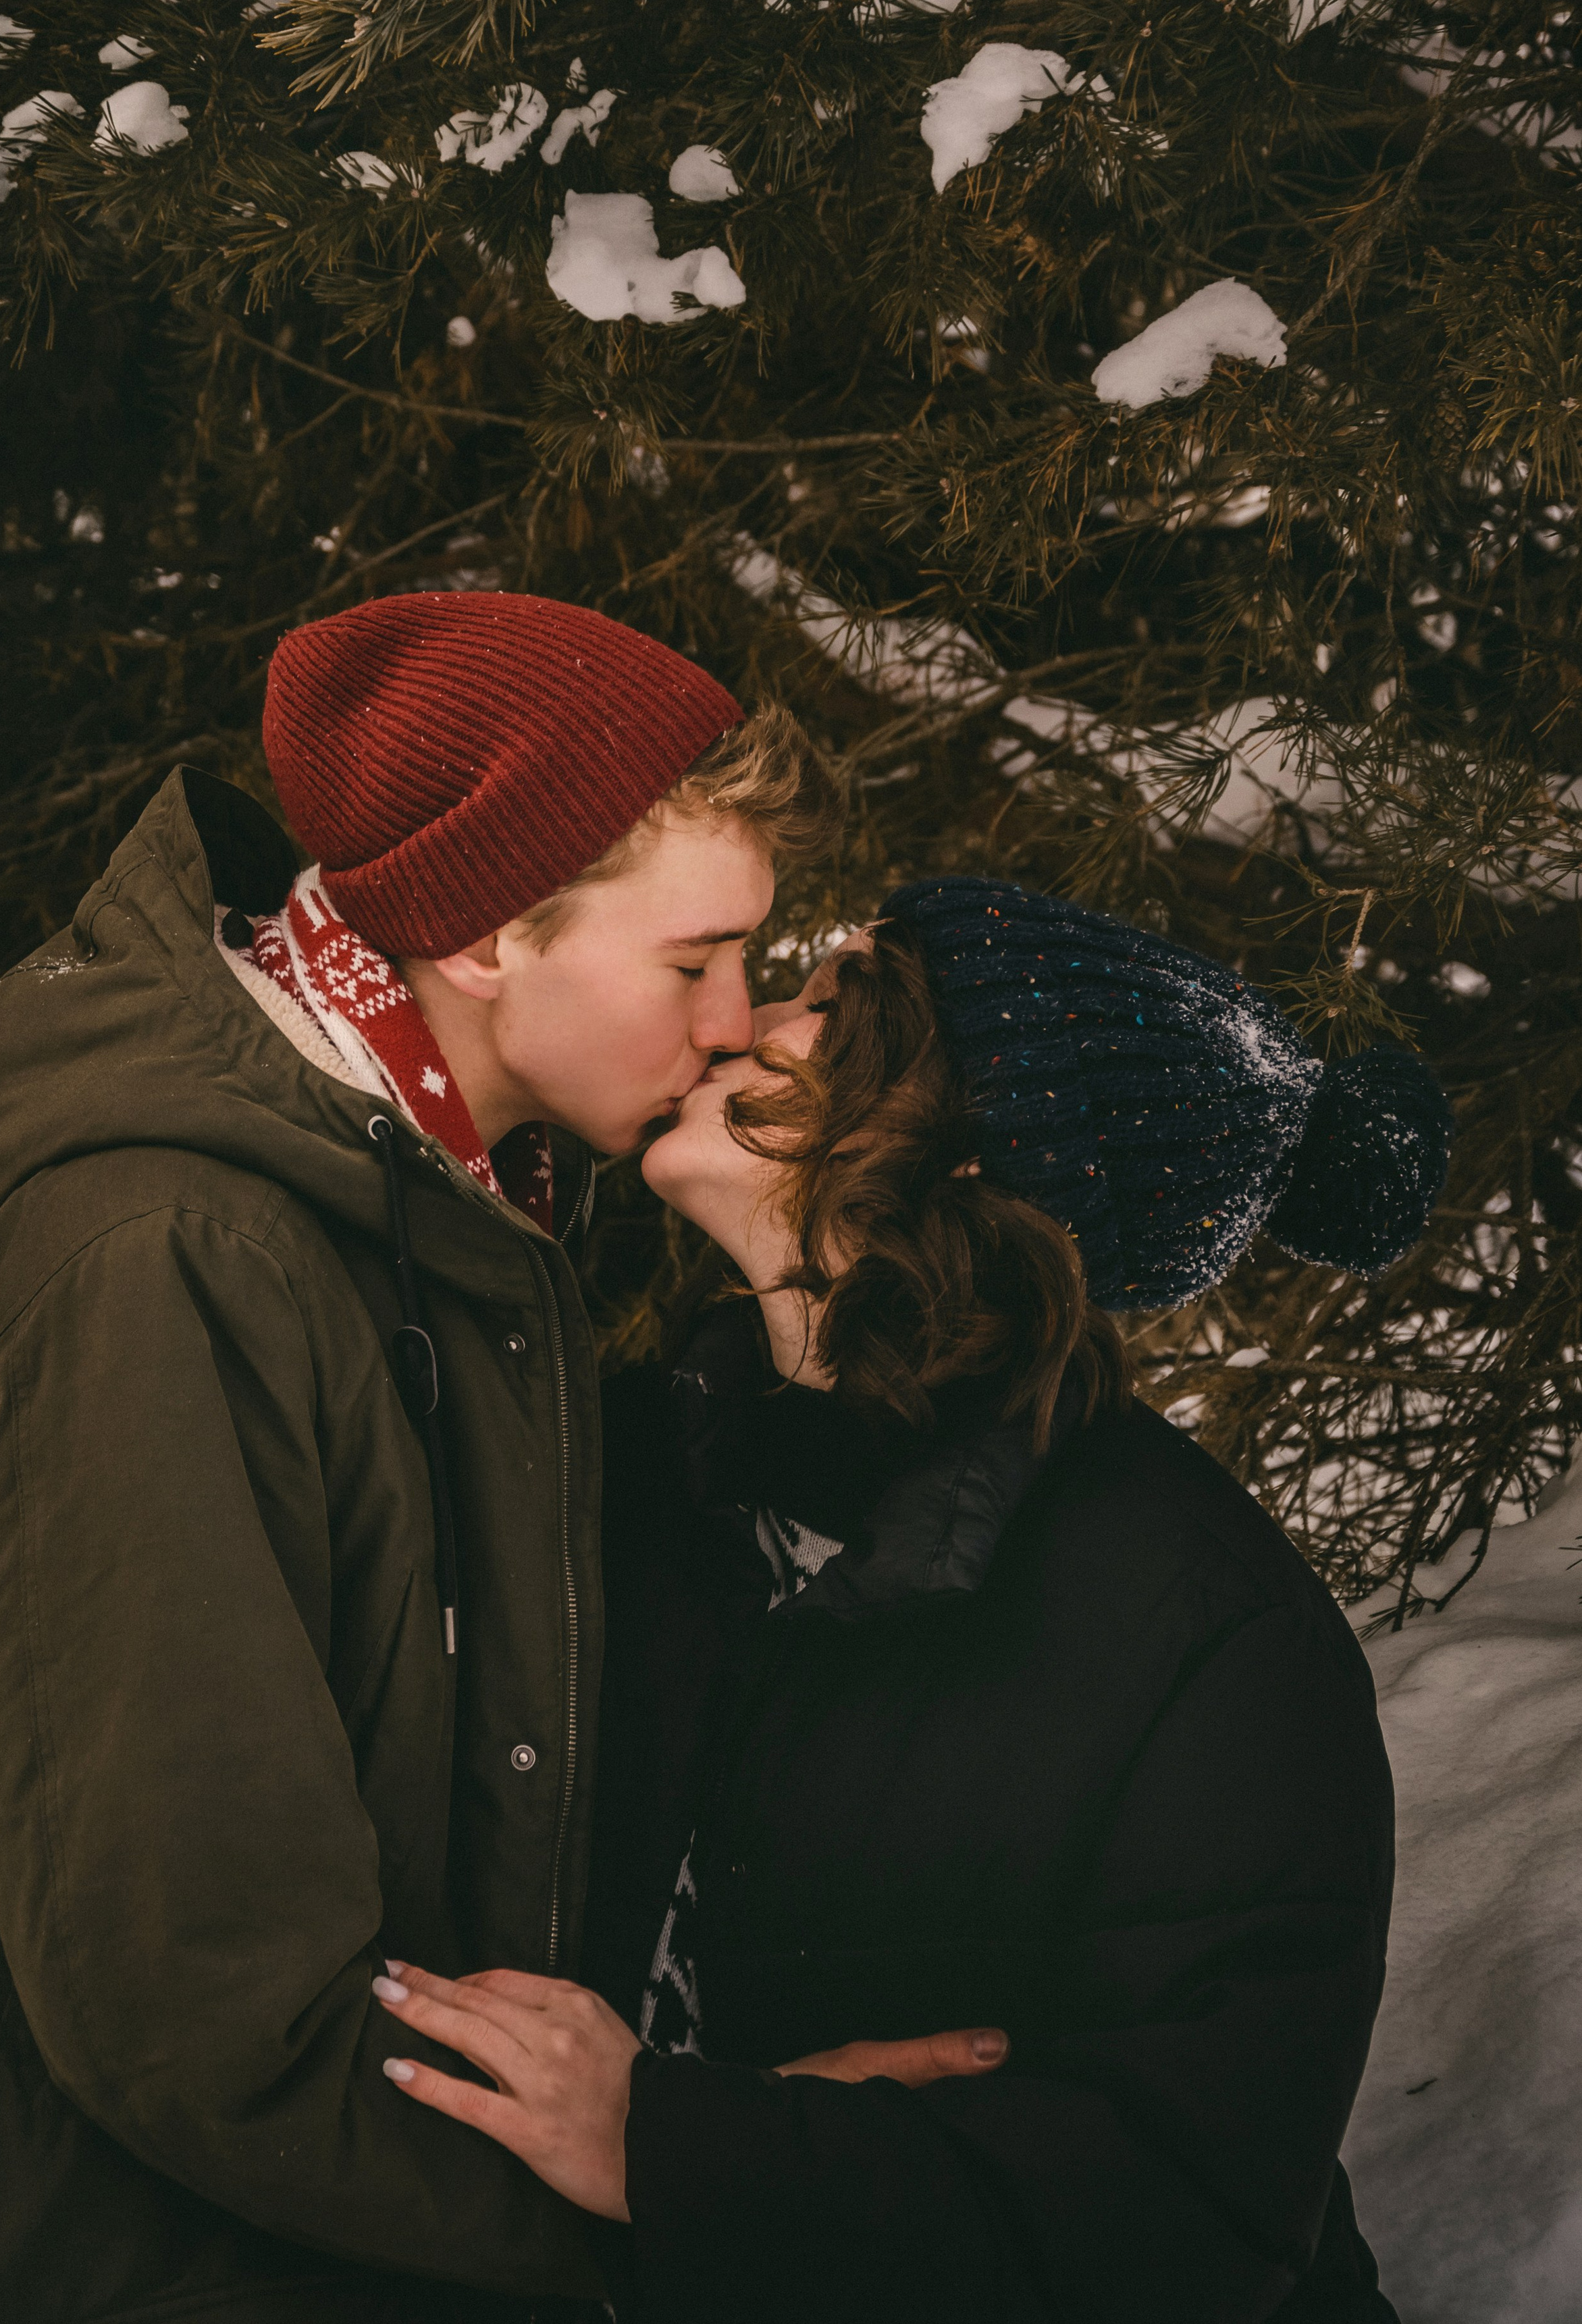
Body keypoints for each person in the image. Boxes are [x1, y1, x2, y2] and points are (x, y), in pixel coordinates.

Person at [0, 590, 862, 2324]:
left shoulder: (460, 1222)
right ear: (481, 935)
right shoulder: (167, 1262)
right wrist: (649, 2216)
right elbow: (198, 1999)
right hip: (112, 2259)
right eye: (692, 962)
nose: (728, 1022)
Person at [370, 876, 1454, 2323]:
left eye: (832, 1011)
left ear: (966, 1160)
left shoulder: (1211, 1632)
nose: (742, 1022)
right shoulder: (632, 1468)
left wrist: (685, 2142)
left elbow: (1190, 2207)